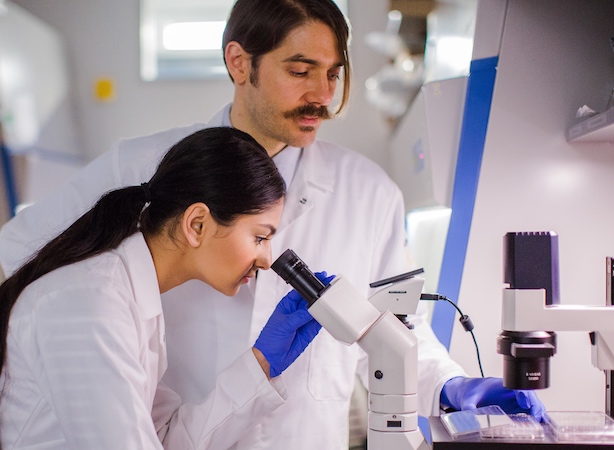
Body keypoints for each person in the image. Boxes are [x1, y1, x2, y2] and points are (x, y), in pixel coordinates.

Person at [0, 0, 545, 448]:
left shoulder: (369, 192)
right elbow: (20, 257)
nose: (322, 96)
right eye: (300, 71)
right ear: (240, 63)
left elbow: (396, 333)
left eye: (332, 75)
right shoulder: (140, 169)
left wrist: (452, 387)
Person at [0, 127, 332, 449]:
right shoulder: (87, 305)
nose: (266, 259)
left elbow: (167, 438)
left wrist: (262, 363)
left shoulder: (128, 297)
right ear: (197, 224)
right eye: (260, 237)